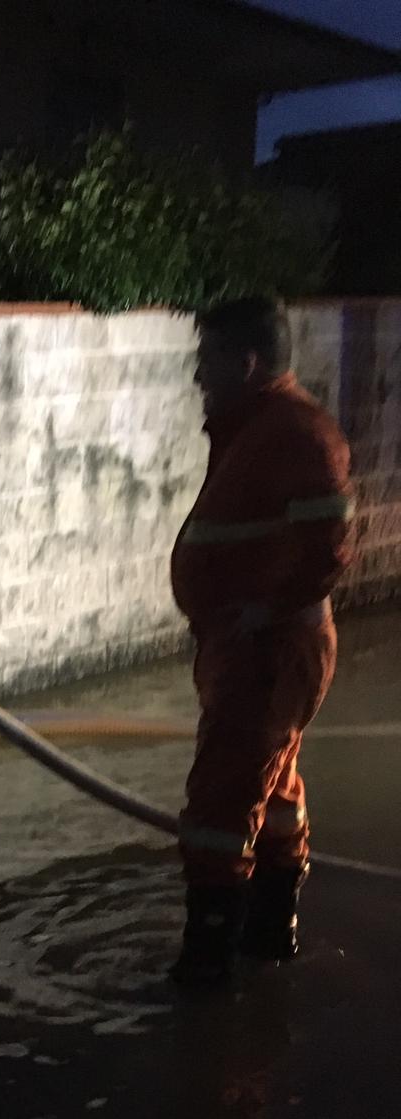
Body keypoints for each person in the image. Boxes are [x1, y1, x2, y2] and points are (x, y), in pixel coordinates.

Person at [169, 297, 356, 984]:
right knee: (272, 791)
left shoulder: (297, 434)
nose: (197, 375)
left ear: (245, 363)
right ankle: (270, 940)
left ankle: (206, 975)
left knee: (220, 804)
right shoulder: (257, 431)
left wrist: (266, 610)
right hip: (253, 653)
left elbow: (332, 545)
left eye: (206, 359)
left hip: (268, 655)